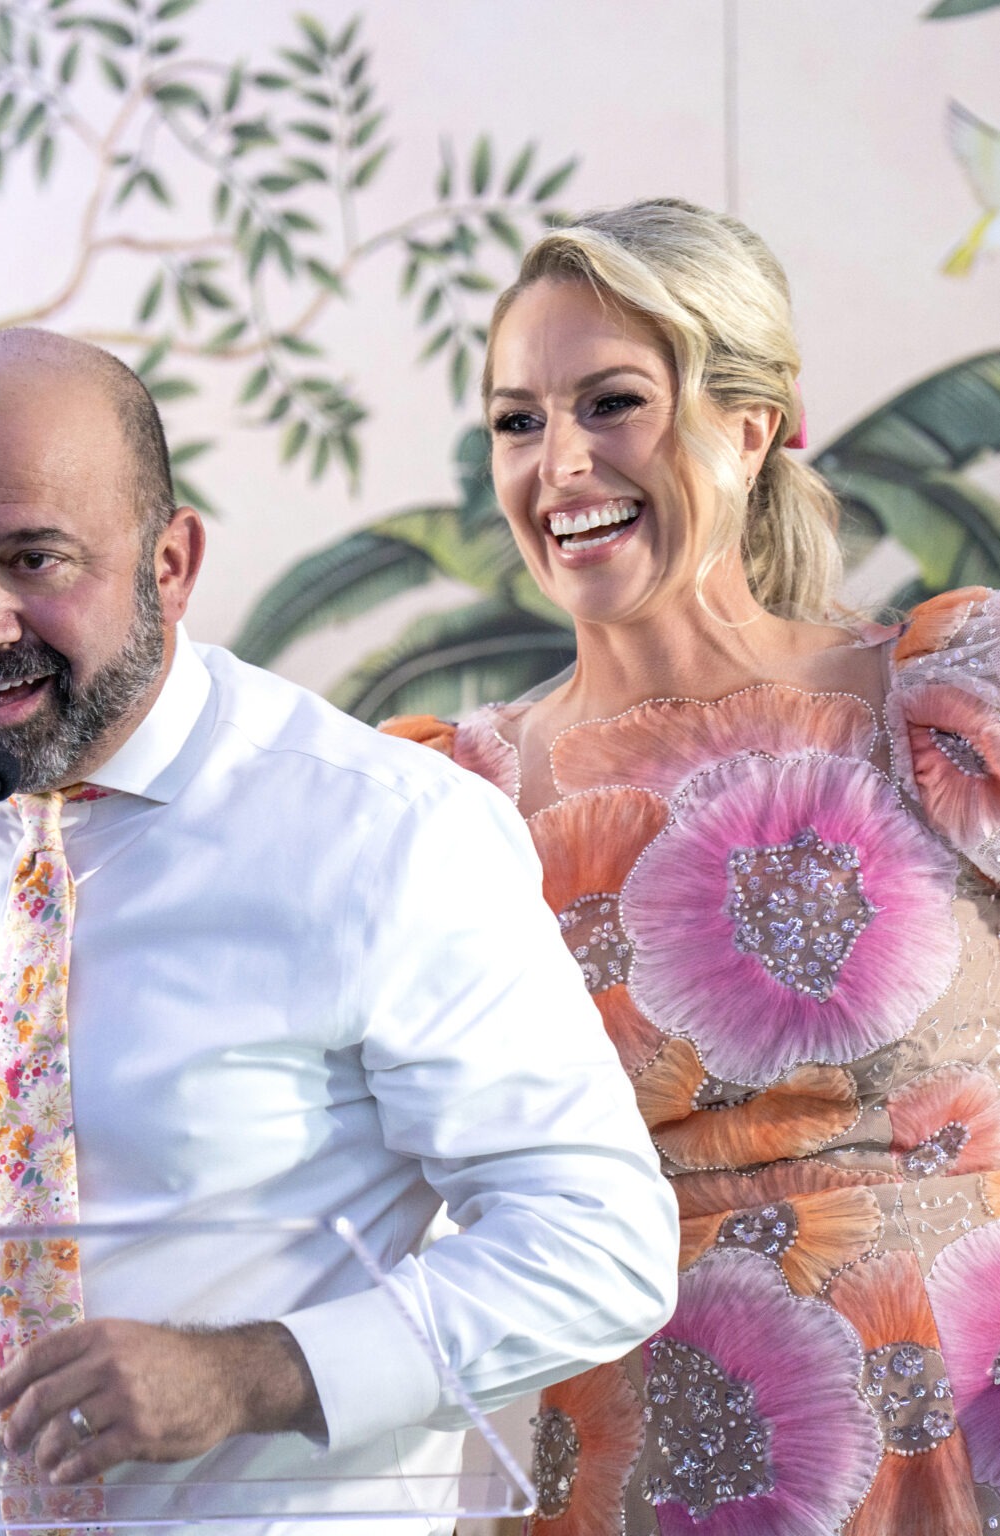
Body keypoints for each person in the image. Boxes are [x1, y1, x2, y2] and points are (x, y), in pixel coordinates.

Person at [0, 328, 678, 1532]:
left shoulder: (386, 835)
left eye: (34, 559)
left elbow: (598, 1243)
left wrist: (252, 1374)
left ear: (171, 563)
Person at [385, 197, 1000, 1535]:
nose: (558, 464)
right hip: (640, 1477)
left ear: (751, 424)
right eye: (517, 420)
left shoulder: (949, 697)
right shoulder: (450, 803)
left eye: (612, 404)